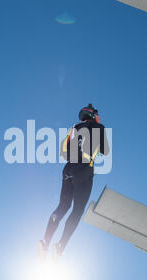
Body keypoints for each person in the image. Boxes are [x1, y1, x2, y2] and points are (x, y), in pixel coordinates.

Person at [37, 104, 110, 260]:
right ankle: (61, 245)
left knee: (62, 206)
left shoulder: (74, 128)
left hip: (68, 169)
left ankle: (45, 242)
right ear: (93, 115)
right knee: (77, 211)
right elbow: (105, 150)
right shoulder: (98, 127)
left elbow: (63, 151)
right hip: (84, 170)